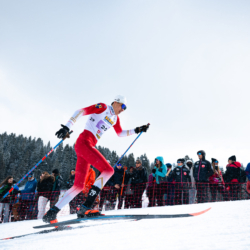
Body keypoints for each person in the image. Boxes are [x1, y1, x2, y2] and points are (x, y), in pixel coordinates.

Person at [43, 95, 149, 223]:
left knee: (79, 186)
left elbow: (120, 133)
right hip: (84, 142)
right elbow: (80, 111)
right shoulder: (103, 107)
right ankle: (86, 207)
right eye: (123, 106)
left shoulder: (115, 119)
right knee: (109, 170)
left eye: (125, 108)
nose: (123, 110)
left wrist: (137, 130)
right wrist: (67, 127)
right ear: (116, 102)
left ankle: (52, 212)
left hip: (88, 146)